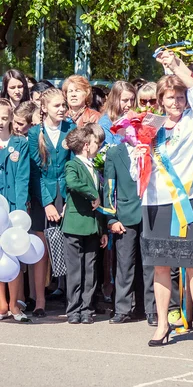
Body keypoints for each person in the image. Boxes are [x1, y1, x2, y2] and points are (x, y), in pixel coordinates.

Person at [141, 50, 193, 350]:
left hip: (188, 199)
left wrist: (175, 65)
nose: (176, 102)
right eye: (170, 98)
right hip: (156, 200)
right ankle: (162, 325)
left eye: (180, 97)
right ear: (161, 100)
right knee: (161, 265)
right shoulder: (149, 123)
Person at [28, 88, 77, 317]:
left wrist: (68, 199)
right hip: (42, 197)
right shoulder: (33, 133)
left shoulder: (70, 129)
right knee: (41, 251)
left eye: (63, 105)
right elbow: (35, 173)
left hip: (65, 194)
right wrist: (47, 203)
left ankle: (72, 301)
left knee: (68, 248)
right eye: (57, 106)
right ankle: (39, 301)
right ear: (44, 108)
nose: (62, 109)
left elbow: (74, 166)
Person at [104, 119, 157, 326]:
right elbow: (109, 187)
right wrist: (111, 218)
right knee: (124, 264)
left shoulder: (150, 150)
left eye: (137, 128)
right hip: (125, 215)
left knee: (150, 263)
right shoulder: (114, 153)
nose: (133, 132)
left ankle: (151, 308)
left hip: (150, 212)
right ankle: (122, 308)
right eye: (129, 128)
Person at [62, 126, 108, 324]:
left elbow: (101, 203)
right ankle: (73, 309)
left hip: (92, 225)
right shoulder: (72, 165)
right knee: (75, 269)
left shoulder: (94, 167)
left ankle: (87, 309)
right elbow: (72, 183)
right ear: (86, 146)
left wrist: (103, 229)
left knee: (90, 269)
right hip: (74, 224)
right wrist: (93, 193)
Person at [0, 98, 30, 322]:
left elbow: (22, 179)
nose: (1, 122)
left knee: (14, 254)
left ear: (11, 117)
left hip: (13, 207)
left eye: (4, 117)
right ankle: (1, 305)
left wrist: (20, 211)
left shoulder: (20, 144)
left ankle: (15, 305)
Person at [98, 81, 136, 146]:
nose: (129, 104)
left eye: (132, 100)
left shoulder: (134, 118)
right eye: (125, 100)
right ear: (114, 100)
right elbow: (108, 149)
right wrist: (121, 133)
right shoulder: (105, 123)